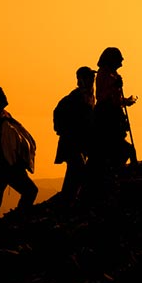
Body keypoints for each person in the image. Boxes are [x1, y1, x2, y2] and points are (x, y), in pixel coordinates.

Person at [0, 86, 39, 228]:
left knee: (28, 191)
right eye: (2, 95)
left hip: (9, 167)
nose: (5, 97)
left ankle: (17, 220)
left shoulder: (3, 116)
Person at [52, 66, 96, 201]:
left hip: (76, 142)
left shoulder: (88, 97)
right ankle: (69, 201)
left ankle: (68, 200)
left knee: (74, 173)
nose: (92, 80)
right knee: (78, 171)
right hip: (72, 142)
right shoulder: (76, 98)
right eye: (89, 77)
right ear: (82, 80)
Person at [91, 47, 138, 169]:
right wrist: (115, 86)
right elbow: (103, 96)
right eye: (118, 62)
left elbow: (113, 98)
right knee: (118, 147)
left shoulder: (112, 75)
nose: (121, 65)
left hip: (112, 116)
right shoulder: (104, 75)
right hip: (107, 117)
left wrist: (126, 101)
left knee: (115, 148)